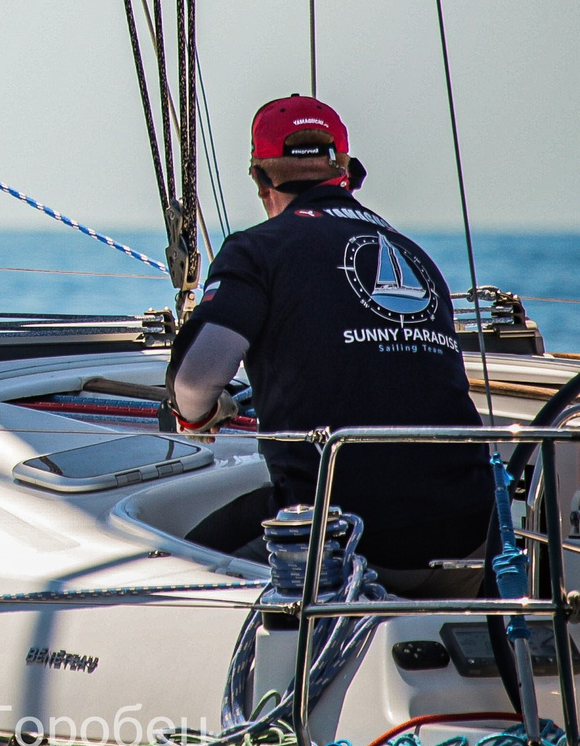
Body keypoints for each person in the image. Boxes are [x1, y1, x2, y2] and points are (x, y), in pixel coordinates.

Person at [169, 96, 490, 582]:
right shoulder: (414, 255)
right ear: (346, 172)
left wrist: (198, 419)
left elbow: (194, 383)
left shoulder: (259, 249)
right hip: (471, 531)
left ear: (260, 180)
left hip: (347, 532)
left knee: (171, 561)